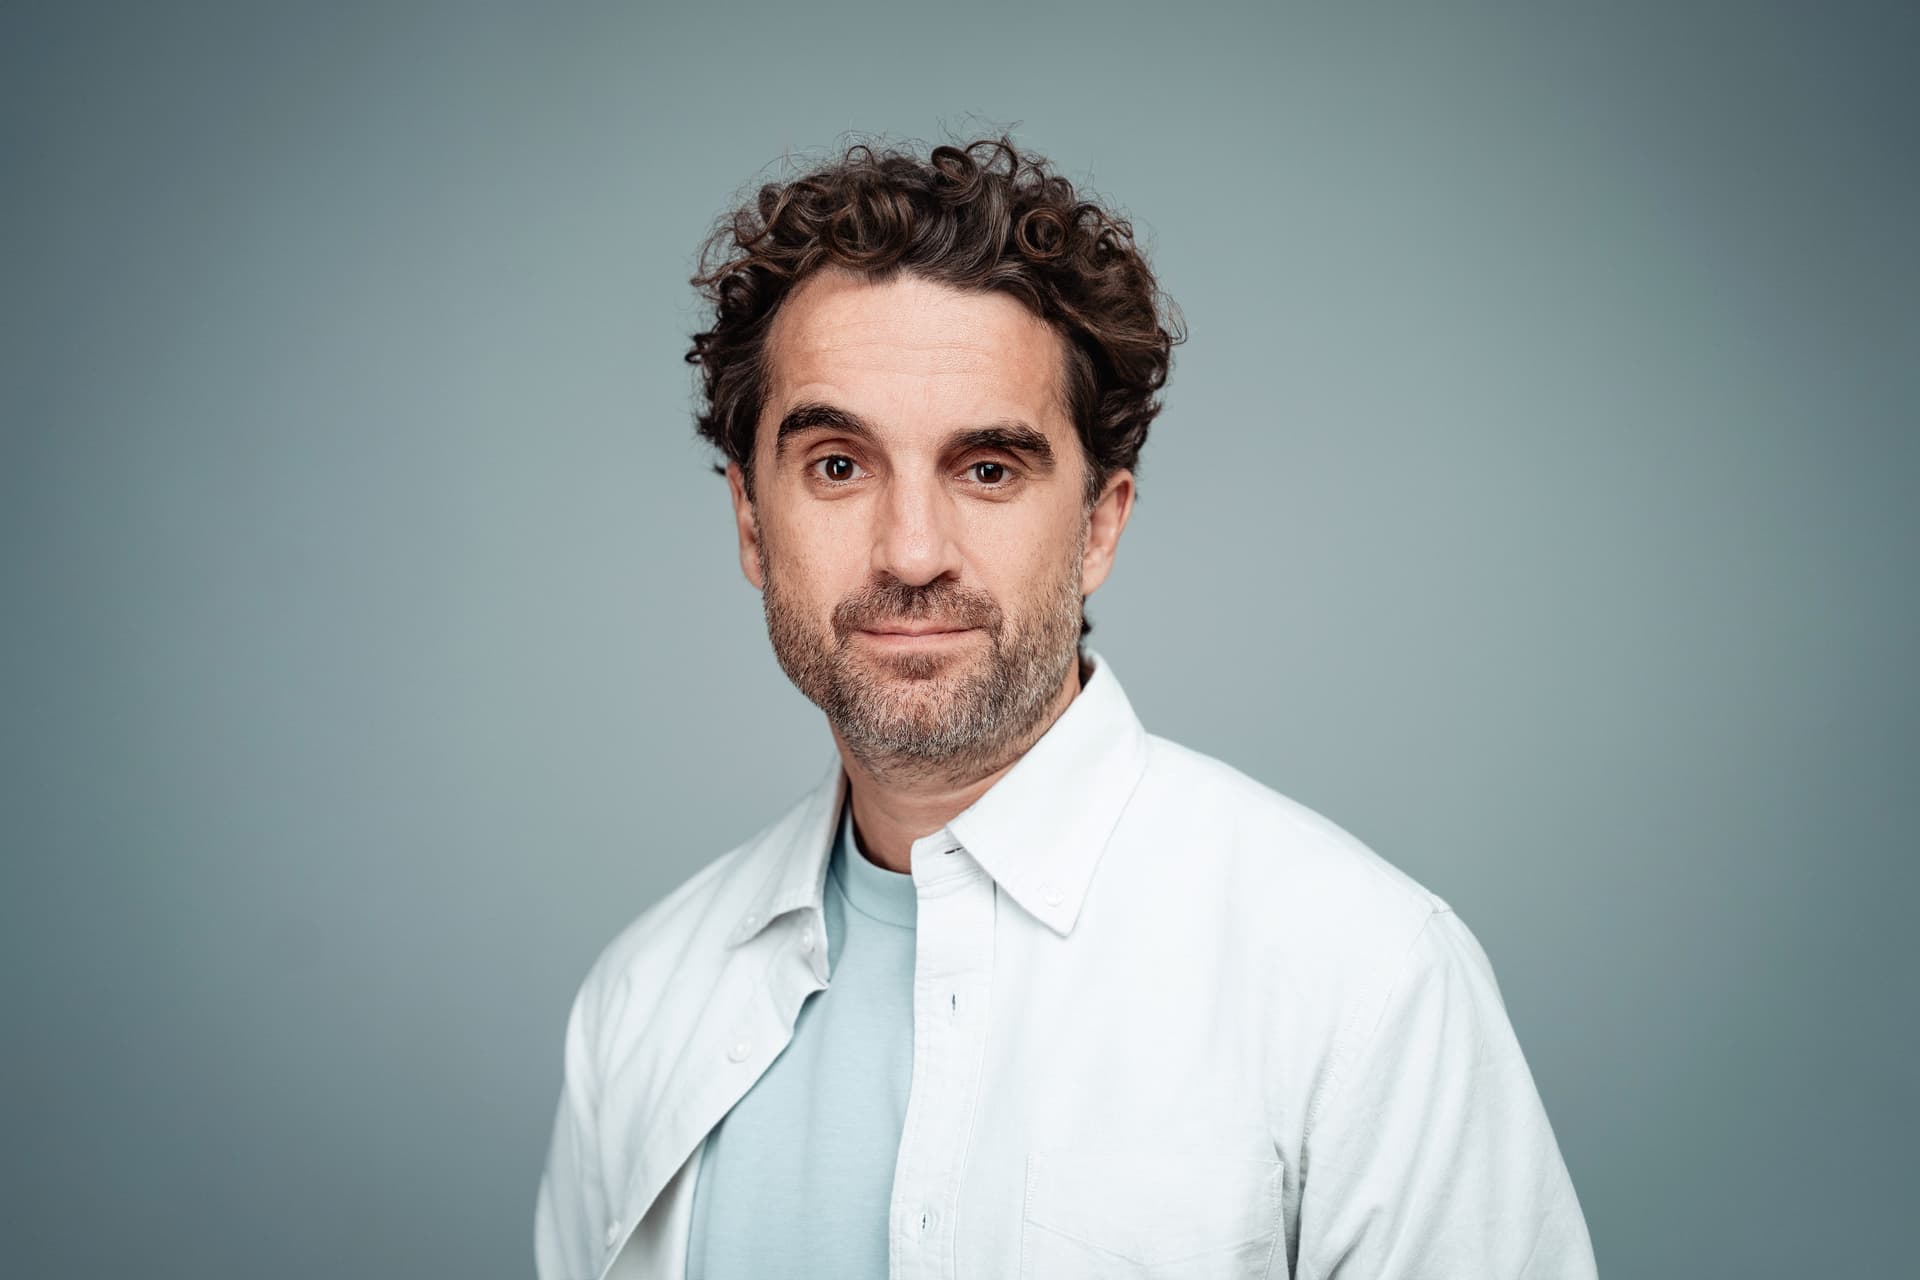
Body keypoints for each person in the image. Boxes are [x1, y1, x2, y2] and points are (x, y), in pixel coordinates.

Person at [534, 136, 1597, 1280]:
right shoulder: (642, 999)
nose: (912, 551)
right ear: (752, 521)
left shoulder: (1364, 981)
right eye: (838, 464)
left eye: (987, 468)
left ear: (1098, 524)